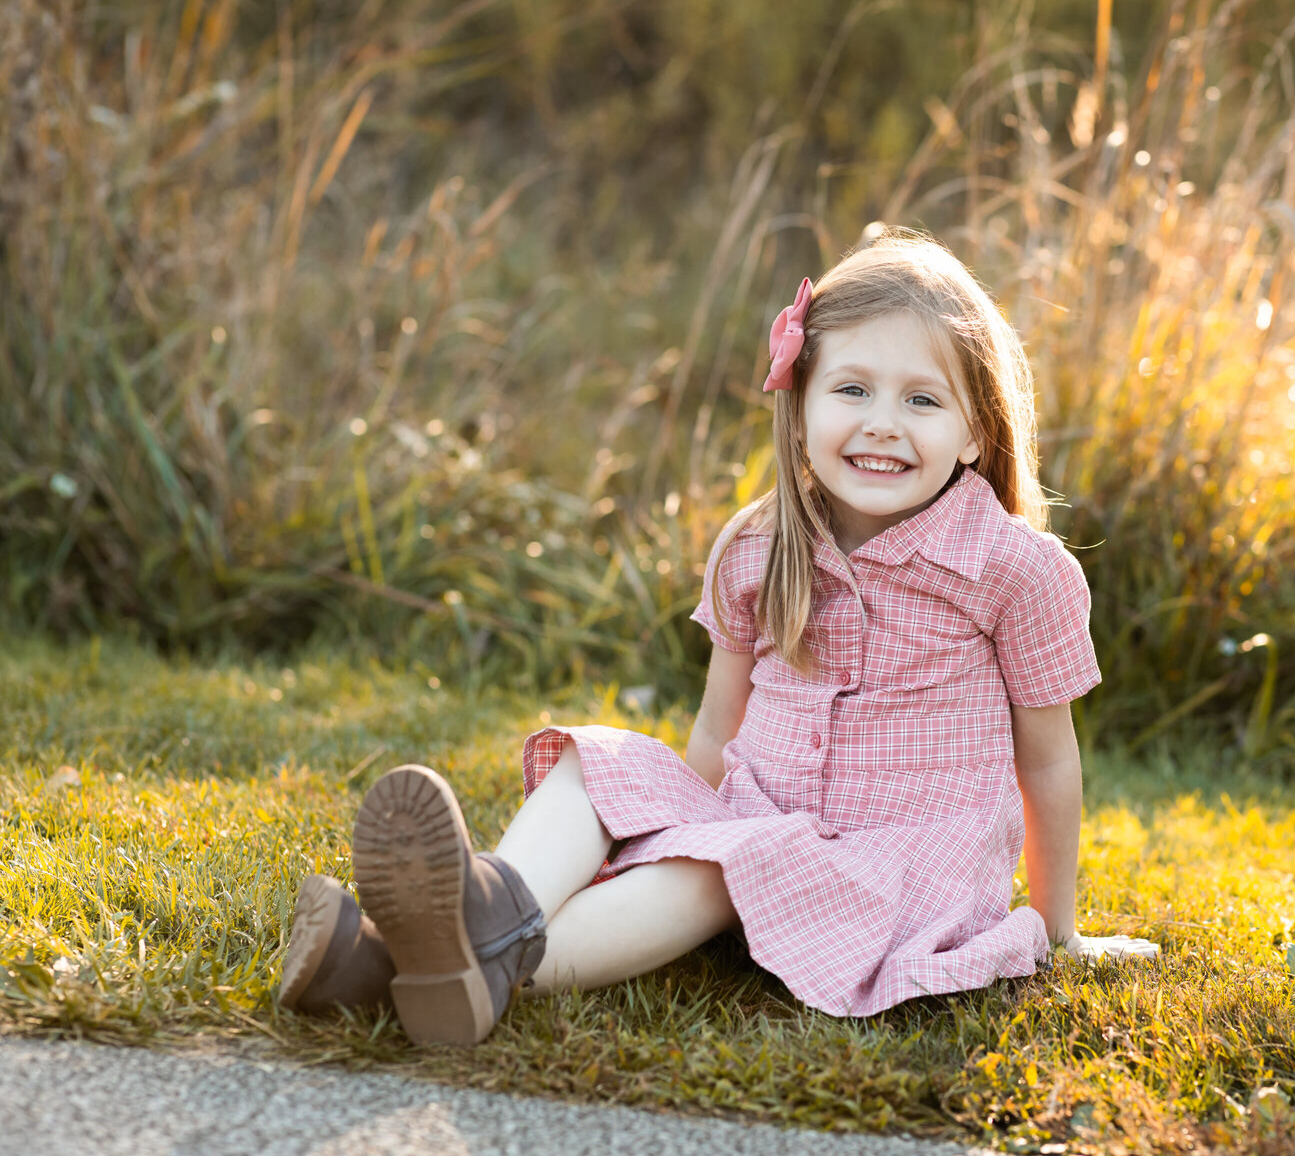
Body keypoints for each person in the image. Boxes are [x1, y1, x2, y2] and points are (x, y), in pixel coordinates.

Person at [277, 227, 1159, 1046]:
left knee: (719, 862)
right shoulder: (756, 548)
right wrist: (656, 826)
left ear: (973, 432)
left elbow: (1046, 761)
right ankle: (476, 921)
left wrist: (1057, 929)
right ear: (801, 402)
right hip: (757, 814)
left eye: (921, 400)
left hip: (892, 872)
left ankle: (430, 960)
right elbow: (714, 730)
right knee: (605, 763)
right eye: (852, 389)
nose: (883, 421)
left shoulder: (1016, 570)